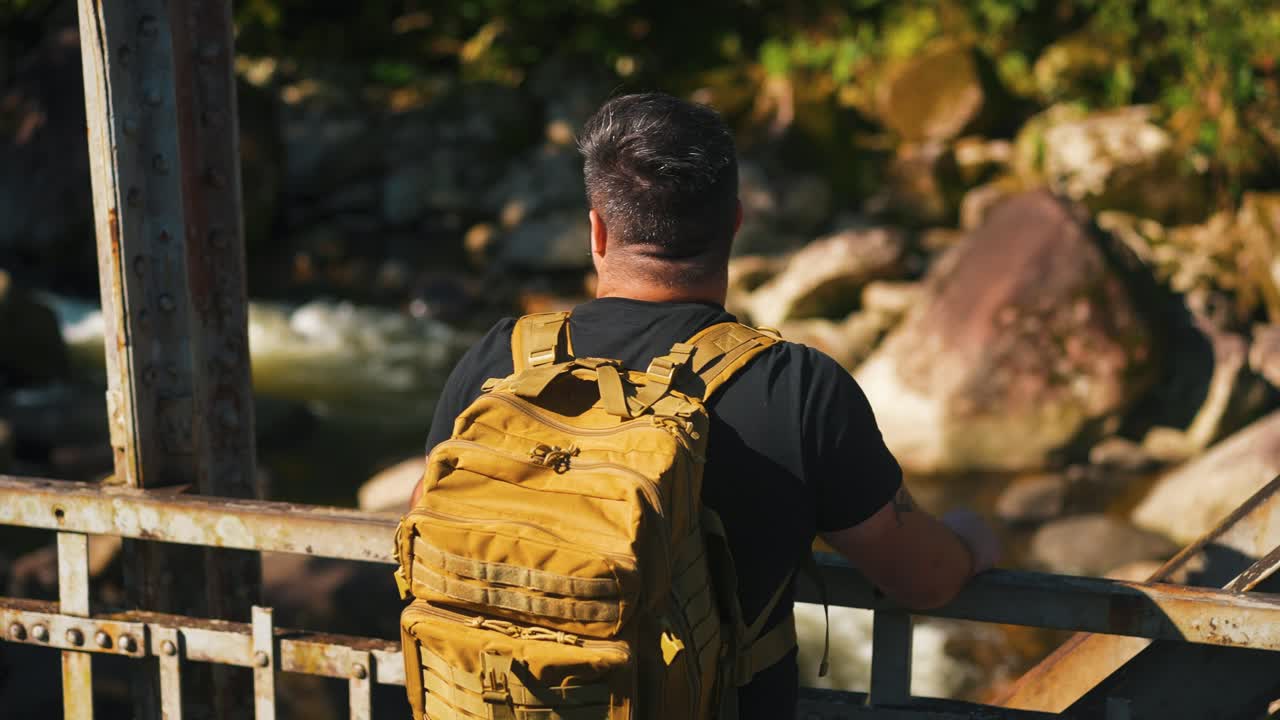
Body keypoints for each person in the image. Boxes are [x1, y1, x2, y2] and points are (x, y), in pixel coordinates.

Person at [413, 92, 1000, 718]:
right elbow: (920, 576)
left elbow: (426, 523)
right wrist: (970, 543)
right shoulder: (797, 388)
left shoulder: (498, 360)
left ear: (598, 230)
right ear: (737, 222)